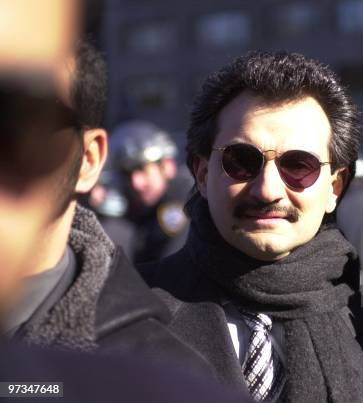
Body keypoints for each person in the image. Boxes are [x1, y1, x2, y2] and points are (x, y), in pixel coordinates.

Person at [142, 51, 363, 403]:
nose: (268, 190)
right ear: (201, 173)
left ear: (335, 187)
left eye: (299, 165)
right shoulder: (119, 311)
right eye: (241, 161)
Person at [1, 39, 213, 379]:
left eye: (25, 122)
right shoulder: (119, 216)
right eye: (131, 173)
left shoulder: (163, 376)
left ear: (88, 161)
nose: (139, 183)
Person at [95, 120, 190, 264]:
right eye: (127, 174)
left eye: (142, 169)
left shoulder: (190, 205)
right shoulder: (127, 211)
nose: (136, 183)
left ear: (167, 166)